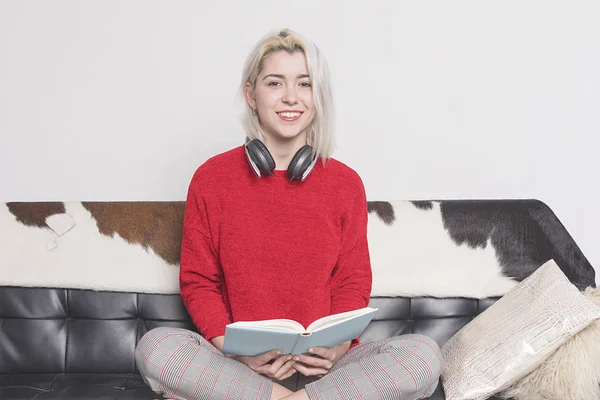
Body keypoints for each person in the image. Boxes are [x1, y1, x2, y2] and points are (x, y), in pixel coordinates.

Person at [135, 28, 442, 400]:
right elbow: (199, 281)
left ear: (318, 96)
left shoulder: (345, 184)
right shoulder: (210, 179)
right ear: (251, 95)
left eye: (304, 83)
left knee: (423, 356)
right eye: (275, 83)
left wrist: (338, 348)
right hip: (241, 369)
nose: (291, 97)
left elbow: (352, 281)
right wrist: (235, 351)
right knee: (156, 347)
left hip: (327, 371)